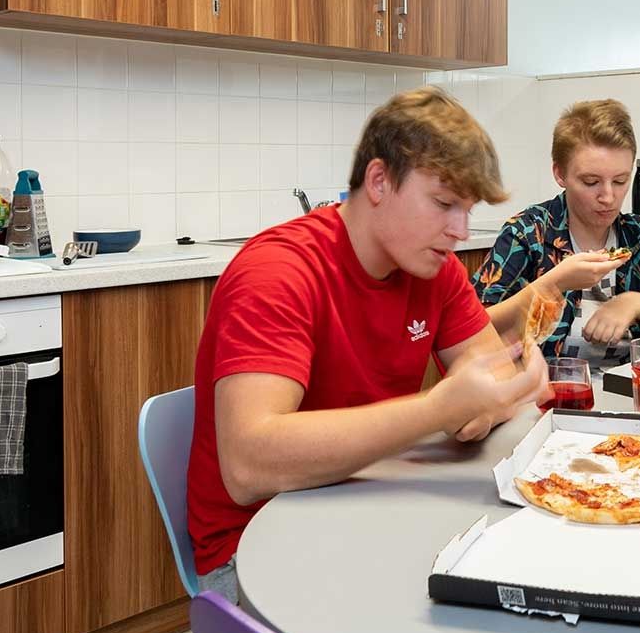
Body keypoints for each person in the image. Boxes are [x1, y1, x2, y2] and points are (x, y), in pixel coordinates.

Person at [186, 88, 549, 603]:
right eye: (444, 204)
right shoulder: (278, 273)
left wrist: (488, 403)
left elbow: (490, 379)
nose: (459, 232)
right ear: (379, 181)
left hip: (371, 504)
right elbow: (247, 468)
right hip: (253, 547)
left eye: (466, 210)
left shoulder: (433, 268)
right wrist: (436, 409)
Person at [475, 99, 640, 363]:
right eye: (591, 182)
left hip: (632, 395)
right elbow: (471, 331)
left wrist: (635, 303)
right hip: (547, 395)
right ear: (560, 174)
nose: (609, 196)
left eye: (621, 181)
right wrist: (554, 283)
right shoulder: (528, 234)